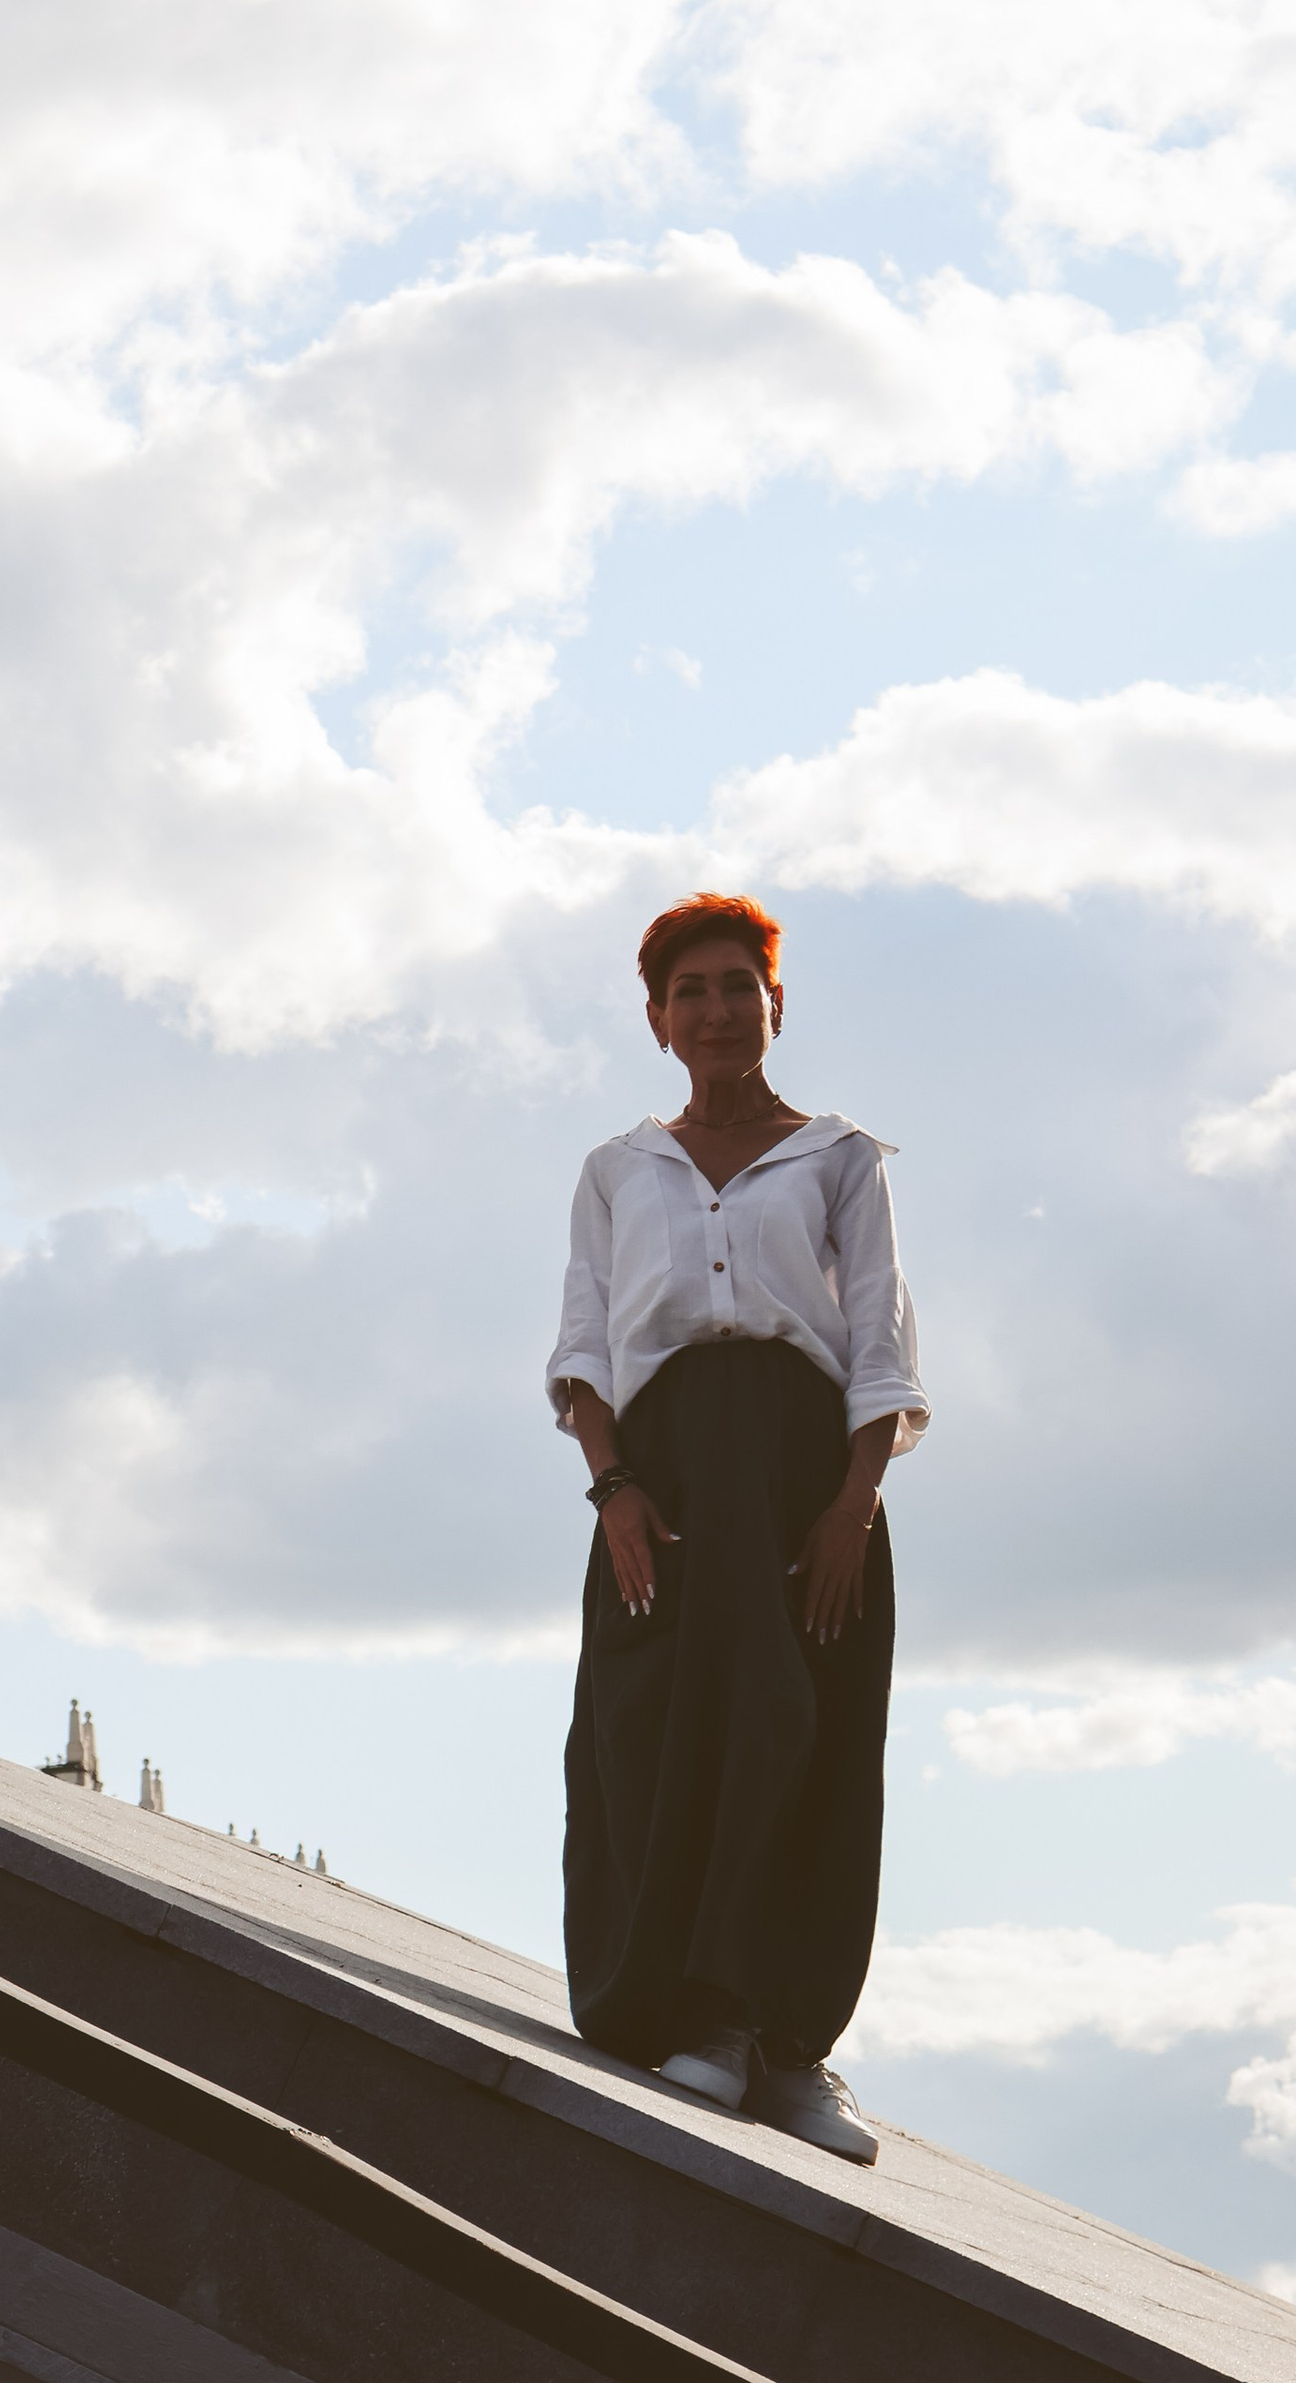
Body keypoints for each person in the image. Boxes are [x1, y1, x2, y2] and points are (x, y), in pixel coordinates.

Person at [545, 893, 926, 2165]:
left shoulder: (838, 1159)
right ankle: (690, 2021)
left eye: (735, 985)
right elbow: (586, 1349)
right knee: (653, 1735)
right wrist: (616, 1492)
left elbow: (877, 1346)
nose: (715, 1009)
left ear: (775, 1003)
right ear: (657, 1021)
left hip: (803, 1476)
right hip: (662, 1482)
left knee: (796, 1730)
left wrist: (847, 1507)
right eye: (688, 991)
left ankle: (788, 2045)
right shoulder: (616, 1170)